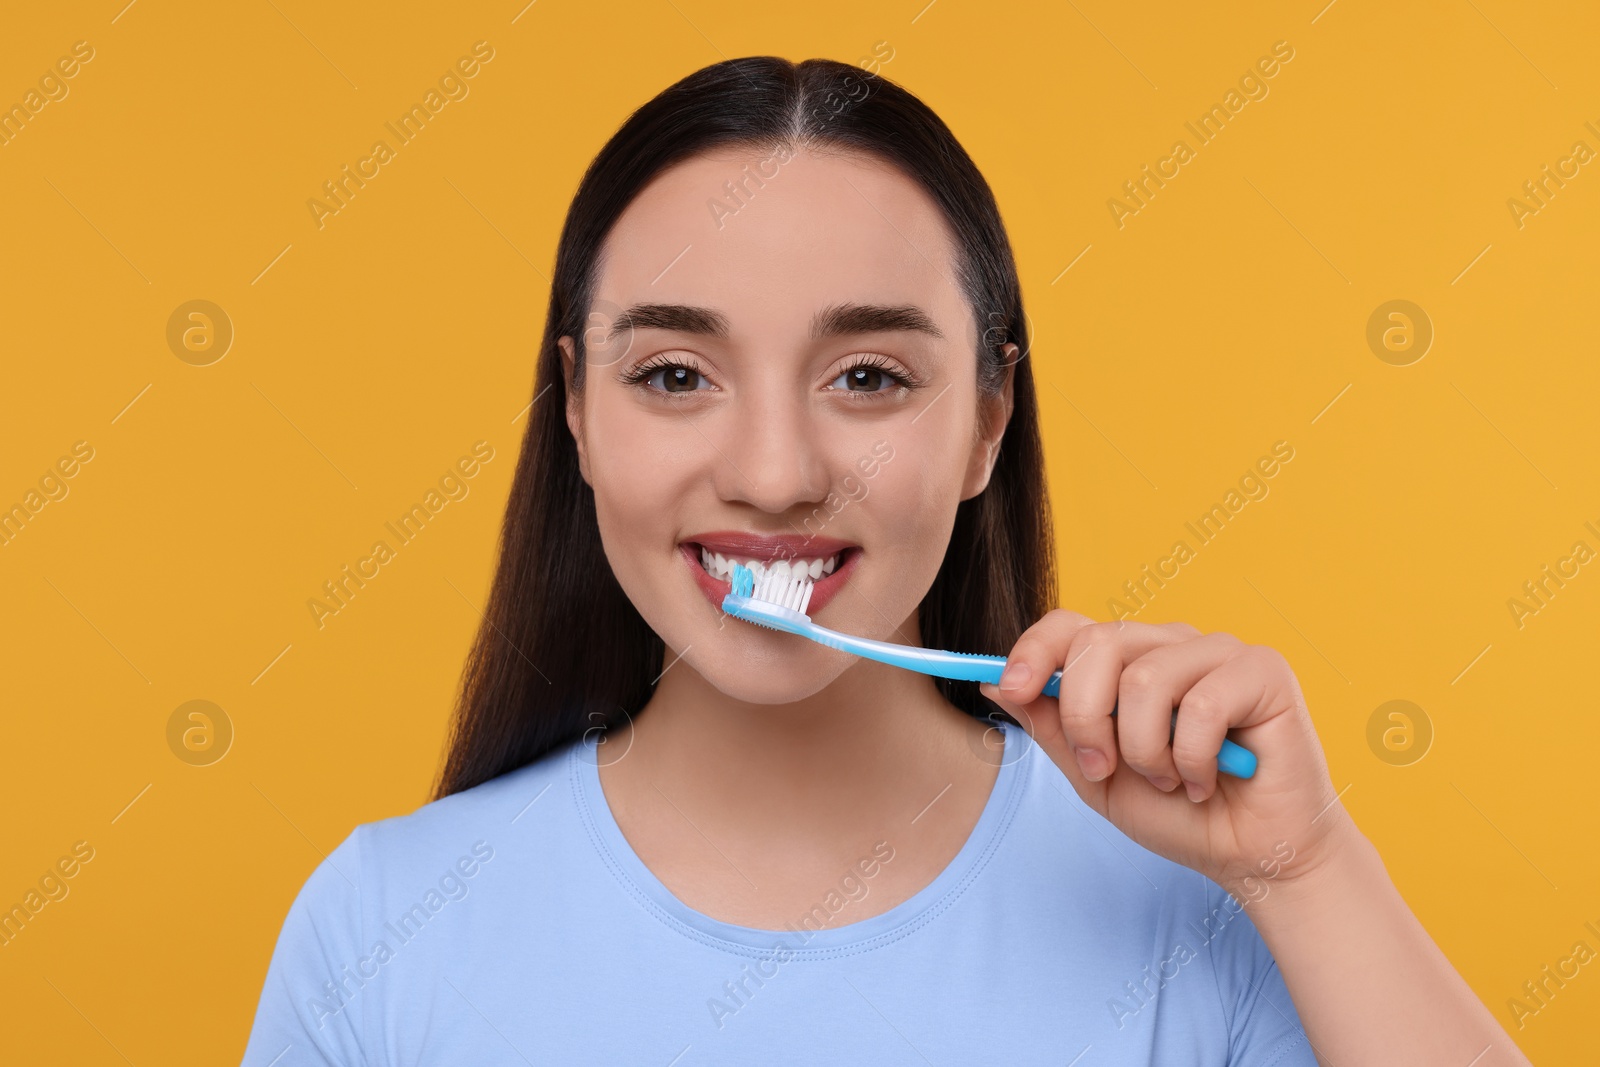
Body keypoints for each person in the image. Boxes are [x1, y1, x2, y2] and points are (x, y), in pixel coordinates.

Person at [240, 56, 1526, 1065]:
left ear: (986, 420)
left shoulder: (1204, 909)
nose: (776, 469)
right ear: (575, 410)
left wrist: (1307, 870)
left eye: (867, 377)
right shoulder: (383, 928)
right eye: (675, 374)